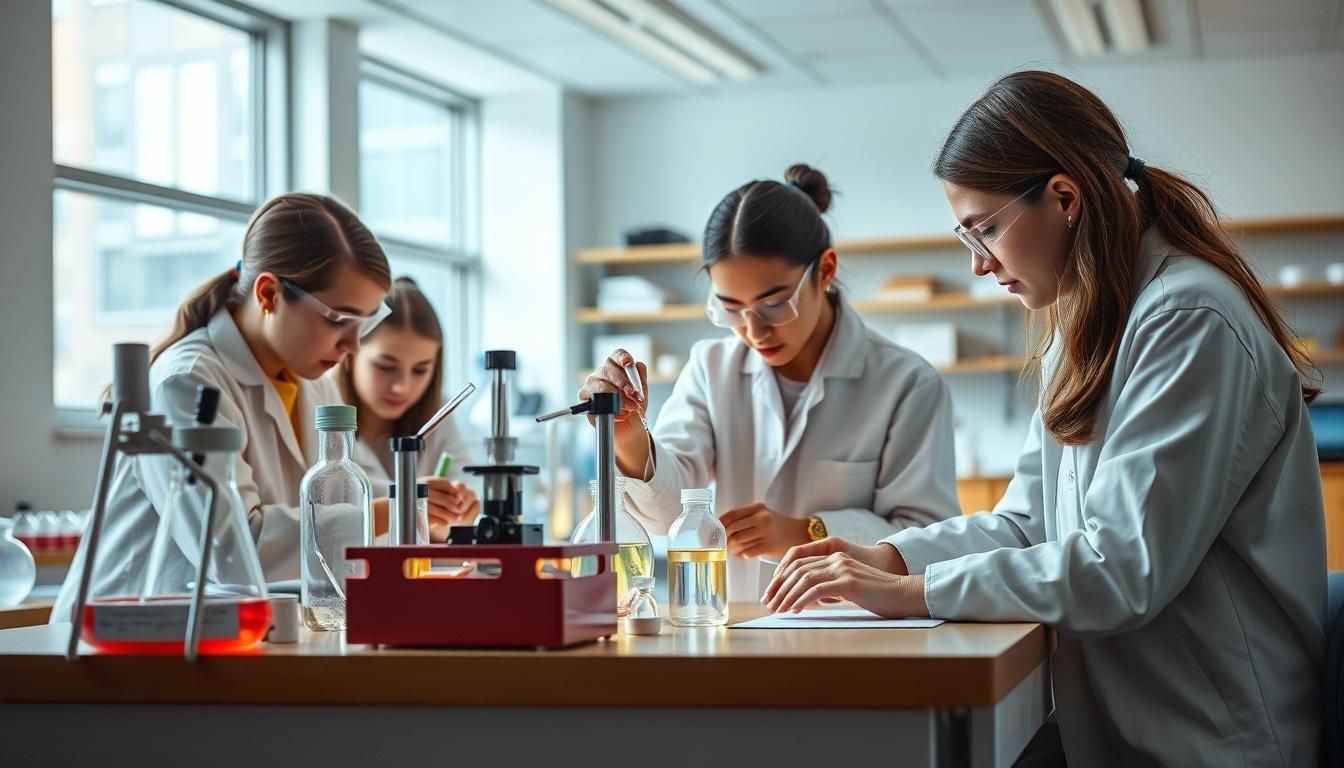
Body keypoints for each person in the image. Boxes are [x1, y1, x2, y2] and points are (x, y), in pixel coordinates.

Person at [765, 71, 1325, 766]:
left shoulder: (1188, 320)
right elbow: (1028, 522)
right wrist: (891, 557)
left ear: (1063, 198)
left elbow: (1124, 566)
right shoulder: (1088, 322)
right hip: (1129, 728)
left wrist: (915, 593)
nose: (978, 266)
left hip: (1216, 740)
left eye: (985, 231)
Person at [581, 164, 960, 601]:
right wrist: (629, 439)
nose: (753, 330)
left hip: (856, 636)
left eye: (774, 304)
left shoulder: (907, 384)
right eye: (730, 308)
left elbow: (932, 541)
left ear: (826, 271)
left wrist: (807, 532)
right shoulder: (711, 368)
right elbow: (668, 513)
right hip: (738, 629)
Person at [54, 193, 393, 620]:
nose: (353, 345)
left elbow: (359, 492)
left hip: (225, 633)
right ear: (269, 293)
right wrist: (384, 514)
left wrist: (417, 504)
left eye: (366, 323)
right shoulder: (188, 380)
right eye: (338, 320)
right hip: (123, 636)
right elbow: (233, 551)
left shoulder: (314, 387)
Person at [334, 277, 479, 540]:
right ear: (351, 352)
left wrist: (450, 517)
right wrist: (410, 505)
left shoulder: (439, 416)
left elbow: (463, 501)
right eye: (386, 367)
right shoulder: (322, 415)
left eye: (421, 369)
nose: (401, 386)